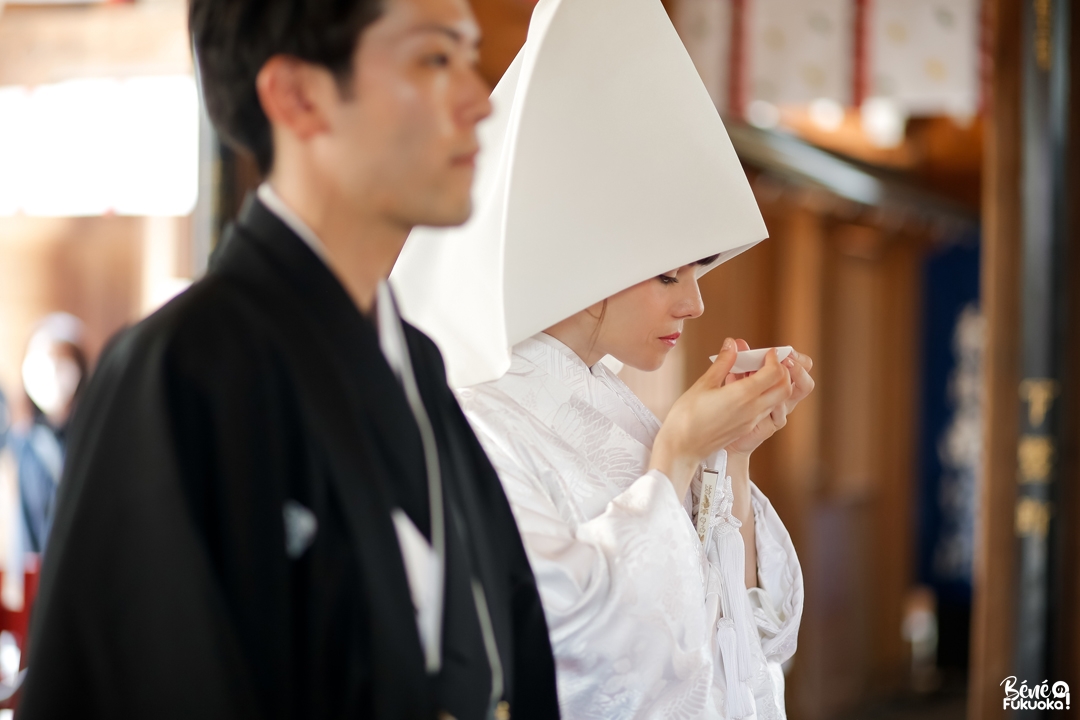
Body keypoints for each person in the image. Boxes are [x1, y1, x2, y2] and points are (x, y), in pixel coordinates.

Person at [19, 0, 559, 717]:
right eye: (435, 59)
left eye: (469, 56)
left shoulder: (416, 366)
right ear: (298, 97)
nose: (476, 101)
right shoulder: (183, 370)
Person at [391, 0, 810, 716]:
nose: (695, 305)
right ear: (586, 269)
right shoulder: (479, 422)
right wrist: (677, 454)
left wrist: (730, 456)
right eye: (668, 276)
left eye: (696, 274)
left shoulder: (615, 409)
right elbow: (571, 647)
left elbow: (757, 640)